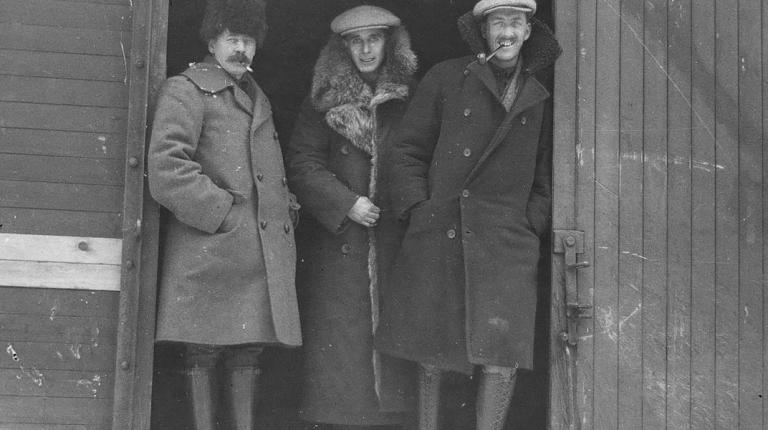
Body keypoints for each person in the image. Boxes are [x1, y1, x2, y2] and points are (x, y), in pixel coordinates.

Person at [373, 0, 561, 429]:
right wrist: (421, 210)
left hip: (506, 242)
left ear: (528, 31)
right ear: (483, 31)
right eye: (498, 23)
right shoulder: (447, 77)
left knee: (500, 354)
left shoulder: (542, 91)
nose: (507, 33)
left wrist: (530, 223)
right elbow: (406, 150)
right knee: (433, 351)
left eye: (515, 23)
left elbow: (547, 171)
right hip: (444, 231)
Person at [147, 0, 301, 428]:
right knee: (203, 350)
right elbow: (167, 168)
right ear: (212, 41)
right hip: (211, 252)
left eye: (248, 40)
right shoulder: (186, 89)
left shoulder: (253, 94)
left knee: (247, 350)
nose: (241, 49)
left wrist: (283, 205)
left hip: (252, 254)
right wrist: (223, 214)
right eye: (232, 39)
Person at [286, 5, 418, 429]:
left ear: (389, 43)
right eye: (355, 42)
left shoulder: (411, 98)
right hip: (342, 241)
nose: (365, 50)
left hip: (395, 239)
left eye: (373, 39)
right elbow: (302, 163)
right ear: (342, 48)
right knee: (342, 348)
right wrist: (347, 203)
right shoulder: (322, 100)